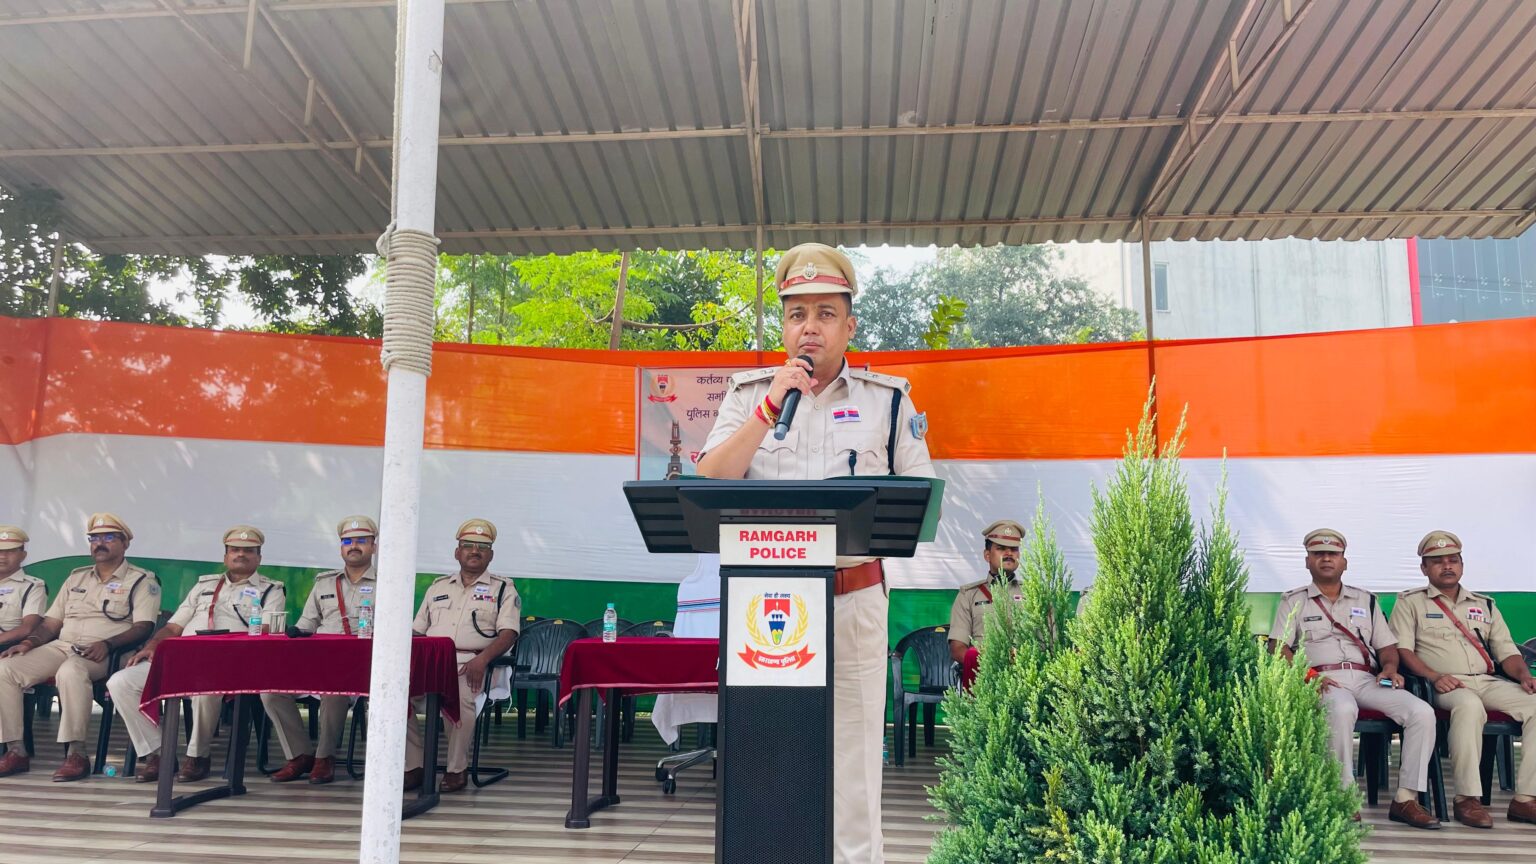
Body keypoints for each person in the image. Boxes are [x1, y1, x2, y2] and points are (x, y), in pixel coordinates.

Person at [697, 242, 936, 864]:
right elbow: (711, 480)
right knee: (765, 755)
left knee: (854, 765)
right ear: (783, 327)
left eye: (826, 313)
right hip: (765, 606)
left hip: (852, 601)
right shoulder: (749, 394)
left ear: (849, 326)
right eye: (797, 313)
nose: (810, 326)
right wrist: (768, 407)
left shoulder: (889, 400)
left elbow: (920, 499)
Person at [1267, 529, 1438, 828]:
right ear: (1307, 561)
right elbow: (1277, 647)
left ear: (1344, 562)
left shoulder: (1366, 600)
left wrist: (1389, 668)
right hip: (1323, 679)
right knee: (1342, 708)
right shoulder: (1293, 601)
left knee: (1421, 712)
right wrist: (1307, 675)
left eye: (1333, 554)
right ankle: (1342, 797)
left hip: (1367, 680)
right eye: (1318, 554)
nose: (1326, 559)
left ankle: (1406, 799)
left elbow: (1386, 646)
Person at [105, 526, 288, 783]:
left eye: (248, 551)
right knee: (120, 682)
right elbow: (173, 627)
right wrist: (152, 645)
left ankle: (197, 756)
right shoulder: (204, 586)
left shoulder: (271, 590)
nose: (241, 554)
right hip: (184, 659)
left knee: (204, 687)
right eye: (235, 550)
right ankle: (159, 754)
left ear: (259, 557)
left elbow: (267, 631)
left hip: (229, 664)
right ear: (225, 556)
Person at [1390, 530, 1536, 829]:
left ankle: (1525, 799)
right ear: (1424, 568)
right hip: (1442, 683)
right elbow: (1403, 651)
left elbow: (1507, 652)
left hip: (1487, 681)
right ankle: (1467, 798)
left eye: (1453, 560)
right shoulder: (1410, 602)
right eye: (1437, 561)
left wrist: (1524, 675)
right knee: (1469, 706)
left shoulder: (1485, 605)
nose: (1447, 566)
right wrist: (1434, 676)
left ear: (1462, 565)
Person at [0, 513, 159, 781]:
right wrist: (29, 642)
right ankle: (15, 751)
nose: (100, 543)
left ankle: (76, 754)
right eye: (94, 538)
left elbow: (144, 627)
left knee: (71, 671)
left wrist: (108, 644)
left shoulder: (142, 580)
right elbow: (51, 623)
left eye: (109, 537)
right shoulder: (76, 577)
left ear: (125, 544)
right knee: (5, 668)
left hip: (109, 651)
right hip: (63, 646)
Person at [260, 515, 379, 784]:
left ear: (374, 546)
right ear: (341, 548)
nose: (354, 546)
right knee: (271, 691)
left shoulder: (387, 583)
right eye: (347, 541)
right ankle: (300, 755)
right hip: (321, 660)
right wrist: (294, 633)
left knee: (334, 692)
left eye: (361, 540)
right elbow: (307, 624)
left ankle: (325, 758)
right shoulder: (324, 583)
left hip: (362, 665)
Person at [404, 519, 520, 794]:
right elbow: (416, 631)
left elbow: (509, 634)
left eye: (482, 547)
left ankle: (456, 769)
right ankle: (414, 766)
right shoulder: (437, 587)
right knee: (395, 697)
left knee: (461, 698)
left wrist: (483, 660)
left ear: (491, 555)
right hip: (431, 663)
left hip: (472, 663)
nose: (475, 551)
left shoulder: (503, 589)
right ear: (457, 552)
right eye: (468, 545)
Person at [948, 520, 1025, 690]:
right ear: (987, 555)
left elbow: (1048, 644)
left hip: (1025, 678)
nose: (1009, 553)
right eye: (1001, 548)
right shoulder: (968, 595)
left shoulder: (1033, 594)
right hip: (982, 677)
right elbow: (957, 648)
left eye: (1014, 549)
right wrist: (988, 660)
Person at [0, 527, 47, 650]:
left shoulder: (33, 586)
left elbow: (27, 628)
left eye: (10, 551)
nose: (2, 556)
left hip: (6, 647)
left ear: (23, 555)